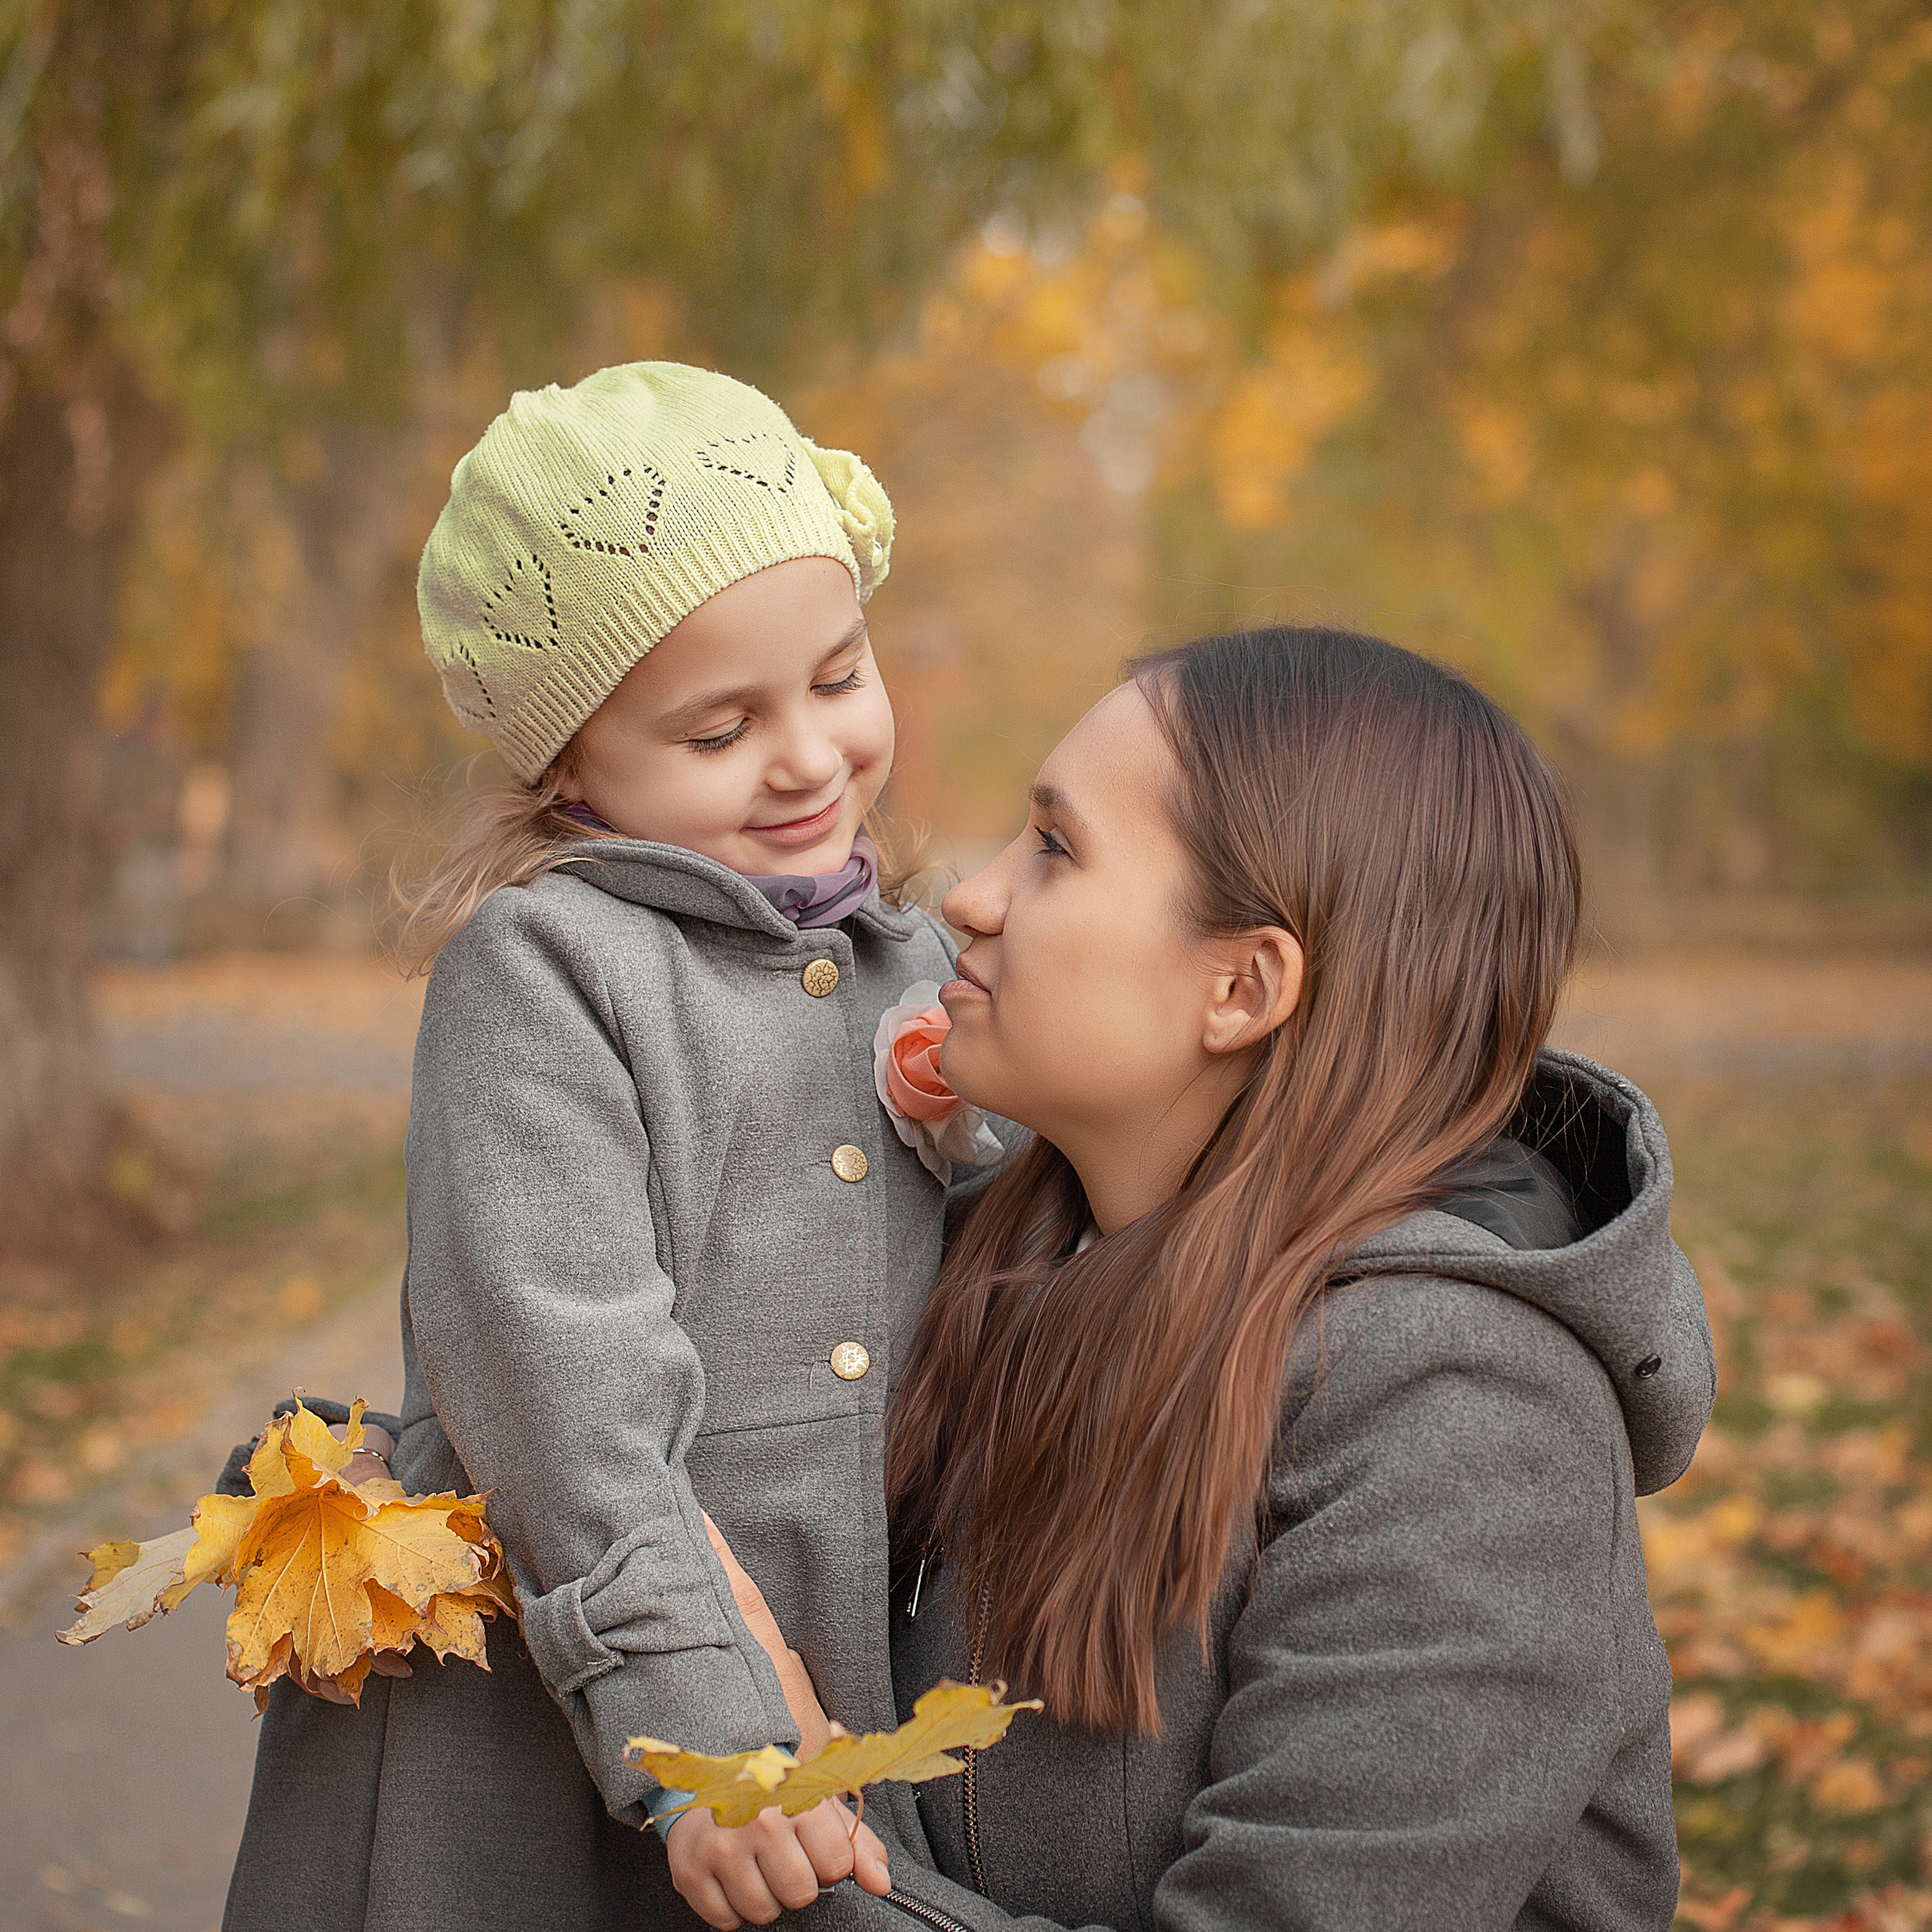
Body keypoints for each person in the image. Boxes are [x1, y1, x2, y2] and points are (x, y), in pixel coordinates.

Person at [220, 361, 1006, 1932]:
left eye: (838, 676)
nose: (805, 756)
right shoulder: (545, 973)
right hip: (570, 1701)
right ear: (569, 765)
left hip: (841, 1666)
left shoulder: (913, 959)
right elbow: (558, 1388)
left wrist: (972, 1122)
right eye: (719, 726)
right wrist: (697, 1727)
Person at [775, 626, 1713, 1932]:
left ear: (1242, 985)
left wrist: (787, 1809)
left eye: (1055, 848)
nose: (968, 900)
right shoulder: (1002, 1252)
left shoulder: (1464, 1416)